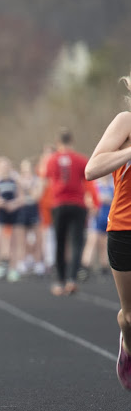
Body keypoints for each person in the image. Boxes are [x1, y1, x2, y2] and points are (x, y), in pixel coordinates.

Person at [85, 72, 131, 389]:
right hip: (125, 228)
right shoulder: (125, 121)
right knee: (130, 316)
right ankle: (127, 341)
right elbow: (91, 169)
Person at [46, 129, 89, 295]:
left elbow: (47, 178)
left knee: (60, 242)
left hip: (58, 204)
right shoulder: (80, 159)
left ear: (58, 142)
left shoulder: (52, 160)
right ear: (72, 141)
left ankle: (59, 281)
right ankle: (72, 280)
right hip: (77, 204)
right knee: (77, 242)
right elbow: (89, 179)